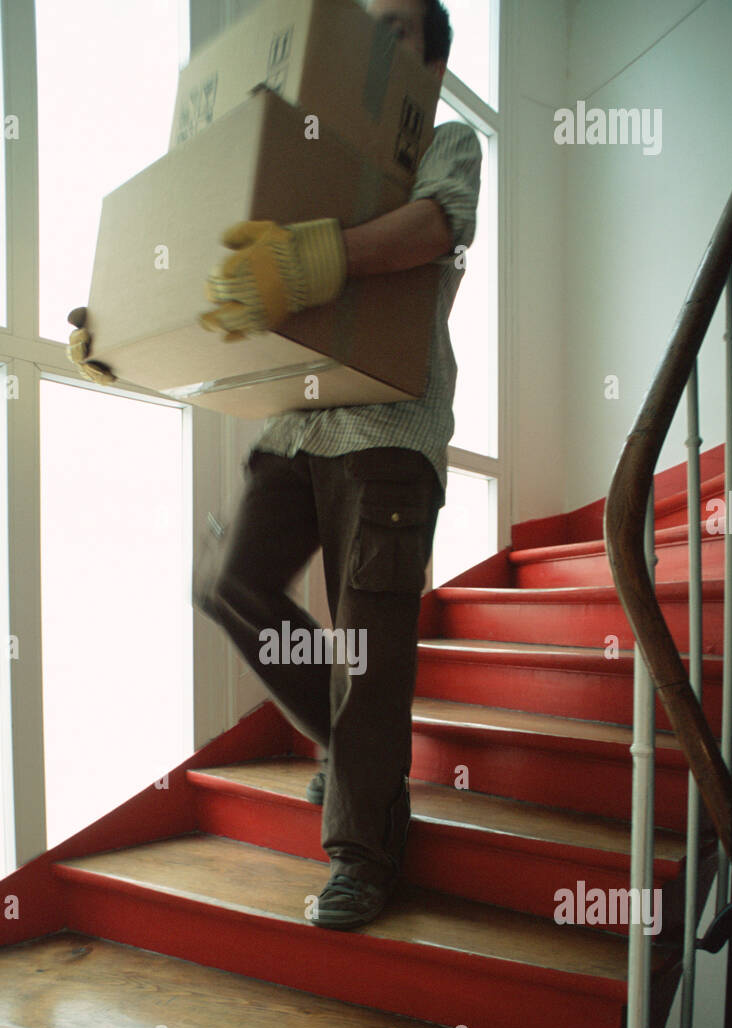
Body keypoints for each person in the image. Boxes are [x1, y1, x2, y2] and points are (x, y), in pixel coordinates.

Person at [67, 0, 482, 929]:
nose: (376, 43)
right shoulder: (297, 143)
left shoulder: (447, 143)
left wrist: (319, 257)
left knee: (369, 651)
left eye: (398, 33)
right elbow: (209, 243)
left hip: (388, 428)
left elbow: (435, 228)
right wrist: (122, 330)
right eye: (367, 24)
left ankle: (364, 855)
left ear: (431, 67)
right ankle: (353, 754)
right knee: (228, 581)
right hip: (295, 419)